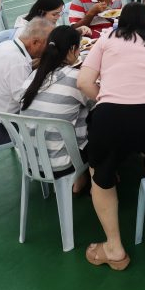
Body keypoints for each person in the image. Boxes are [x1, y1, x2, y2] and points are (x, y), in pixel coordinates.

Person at [77, 3, 145, 271]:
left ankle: (114, 247)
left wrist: (107, 96)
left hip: (113, 120)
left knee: (101, 175)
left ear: (120, 21)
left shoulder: (105, 39)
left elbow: (83, 82)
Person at [19, 25, 93, 193]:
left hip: (31, 159)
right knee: (98, 119)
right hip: (61, 162)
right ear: (72, 49)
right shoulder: (75, 79)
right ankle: (102, 177)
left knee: (74, 110)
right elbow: (97, 102)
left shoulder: (35, 76)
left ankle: (80, 179)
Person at [0, 18, 54, 145]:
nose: (49, 49)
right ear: (35, 42)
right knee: (53, 126)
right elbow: (26, 101)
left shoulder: (7, 45)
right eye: (48, 44)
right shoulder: (18, 62)